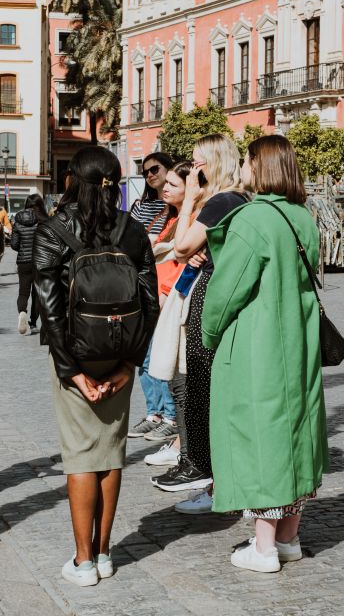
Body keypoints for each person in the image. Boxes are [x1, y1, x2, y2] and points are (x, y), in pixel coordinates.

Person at [33, 146, 159, 587]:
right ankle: (105, 553)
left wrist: (73, 373)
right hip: (119, 355)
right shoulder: (133, 231)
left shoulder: (53, 230)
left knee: (81, 457)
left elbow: (48, 310)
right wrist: (130, 363)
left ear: (73, 180)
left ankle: (83, 561)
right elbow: (149, 303)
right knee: (110, 454)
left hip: (77, 356)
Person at [201, 135, 327, 573]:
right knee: (296, 430)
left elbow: (227, 288)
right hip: (299, 339)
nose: (243, 169)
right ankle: (289, 537)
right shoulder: (302, 217)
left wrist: (208, 331)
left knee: (260, 435)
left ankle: (264, 546)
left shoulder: (253, 218)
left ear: (262, 166)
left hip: (259, 343)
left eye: (248, 161)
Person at [151, 134, 248, 514]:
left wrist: (190, 197)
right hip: (216, 291)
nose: (192, 170)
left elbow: (181, 247)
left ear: (213, 163)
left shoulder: (221, 201)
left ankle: (206, 476)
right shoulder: (238, 199)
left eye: (197, 163)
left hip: (208, 296)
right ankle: (211, 477)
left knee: (200, 389)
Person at [143, 161, 193, 465]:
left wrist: (164, 294)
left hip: (172, 299)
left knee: (176, 372)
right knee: (160, 366)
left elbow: (184, 259)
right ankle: (176, 438)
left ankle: (179, 437)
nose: (164, 188)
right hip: (160, 298)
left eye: (173, 184)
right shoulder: (167, 217)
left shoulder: (187, 219)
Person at [12, 194, 48, 334]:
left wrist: (23, 247)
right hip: (39, 261)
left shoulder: (18, 221)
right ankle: (33, 323)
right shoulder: (43, 221)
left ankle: (22, 312)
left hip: (23, 262)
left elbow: (14, 245)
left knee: (23, 292)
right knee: (37, 293)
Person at [130, 152, 175, 239]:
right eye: (146, 173)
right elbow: (129, 237)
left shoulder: (180, 204)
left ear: (169, 168)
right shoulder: (140, 206)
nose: (150, 175)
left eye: (154, 169)